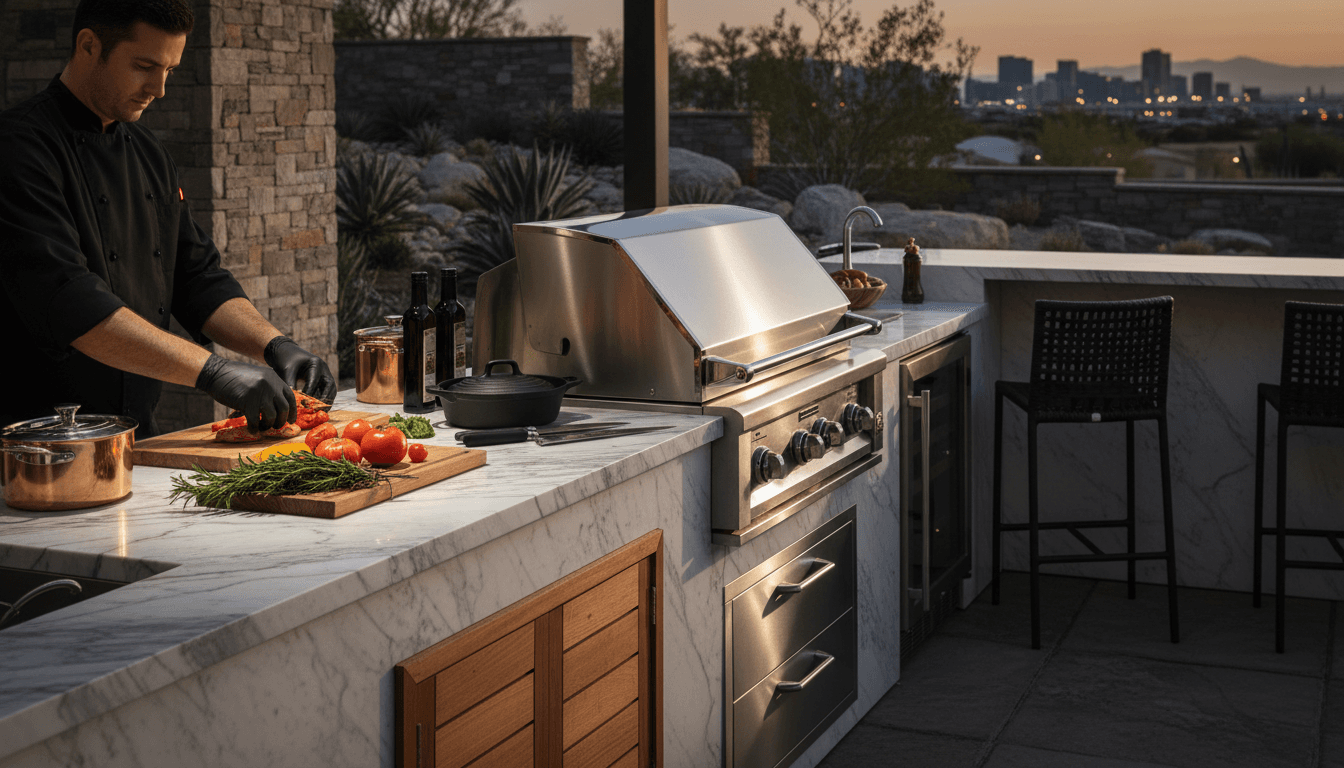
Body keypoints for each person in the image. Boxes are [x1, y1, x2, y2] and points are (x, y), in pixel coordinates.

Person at [0, 0, 336, 437]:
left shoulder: (147, 151)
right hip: (32, 445)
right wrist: (214, 371)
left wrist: (275, 346)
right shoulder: (18, 149)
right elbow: (69, 302)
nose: (158, 88)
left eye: (170, 70)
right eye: (144, 65)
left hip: (137, 434)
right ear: (88, 45)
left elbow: (197, 277)